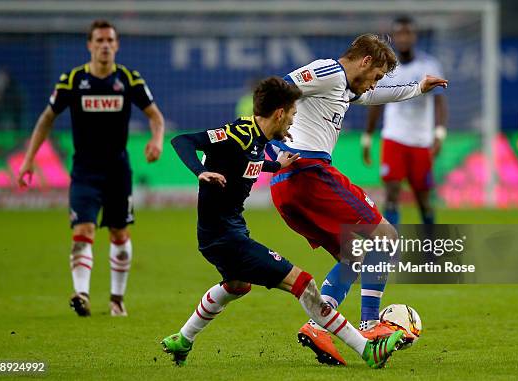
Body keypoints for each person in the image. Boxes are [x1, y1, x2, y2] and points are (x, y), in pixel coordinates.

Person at [162, 76, 405, 369]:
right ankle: (367, 349)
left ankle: (183, 339)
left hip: (228, 231)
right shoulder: (237, 133)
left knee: (237, 285)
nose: (293, 121)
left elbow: (248, 161)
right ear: (279, 113)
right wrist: (200, 171)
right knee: (302, 282)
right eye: (292, 114)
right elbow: (183, 141)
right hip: (225, 237)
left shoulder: (258, 140)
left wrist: (278, 165)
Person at [267, 34, 447, 365]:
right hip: (308, 171)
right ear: (365, 62)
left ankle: (318, 325)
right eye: (376, 75)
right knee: (386, 237)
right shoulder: (329, 72)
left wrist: (419, 87)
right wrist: (260, 141)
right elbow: (279, 88)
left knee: (356, 254)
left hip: (286, 186)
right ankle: (370, 325)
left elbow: (376, 96)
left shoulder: (344, 88)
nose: (373, 84)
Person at [16, 20, 165, 317]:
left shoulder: (129, 80)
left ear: (117, 45)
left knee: (119, 234)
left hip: (118, 171)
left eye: (110, 40)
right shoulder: (72, 81)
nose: (105, 45)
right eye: (99, 40)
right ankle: (82, 294)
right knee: (82, 229)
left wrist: (157, 140)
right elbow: (47, 118)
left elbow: (156, 117)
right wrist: (29, 158)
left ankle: (116, 299)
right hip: (84, 170)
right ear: (89, 45)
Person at [362, 16, 448, 227]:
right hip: (394, 138)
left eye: (407, 33)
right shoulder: (386, 68)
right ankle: (392, 252)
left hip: (420, 141)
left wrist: (439, 134)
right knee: (391, 194)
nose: (403, 38)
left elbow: (439, 102)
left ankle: (430, 248)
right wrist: (367, 136)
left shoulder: (429, 65)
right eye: (399, 33)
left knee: (423, 200)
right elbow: (377, 101)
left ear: (414, 36)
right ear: (394, 37)